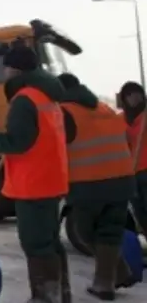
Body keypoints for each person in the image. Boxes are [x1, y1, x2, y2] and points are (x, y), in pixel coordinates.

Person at [0, 45, 69, 303]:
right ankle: (60, 293)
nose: (5, 72)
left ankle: (46, 297)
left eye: (7, 67)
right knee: (50, 241)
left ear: (16, 69)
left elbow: (17, 142)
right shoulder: (47, 97)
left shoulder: (24, 100)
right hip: (49, 181)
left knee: (36, 243)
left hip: (33, 184)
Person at [58, 73, 136, 300]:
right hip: (122, 181)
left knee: (84, 231)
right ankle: (106, 282)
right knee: (109, 233)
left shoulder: (64, 112)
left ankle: (116, 272)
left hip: (88, 183)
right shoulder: (105, 108)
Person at [118, 82, 147, 239]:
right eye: (129, 95)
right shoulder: (119, 119)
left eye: (137, 93)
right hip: (131, 174)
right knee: (140, 214)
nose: (134, 98)